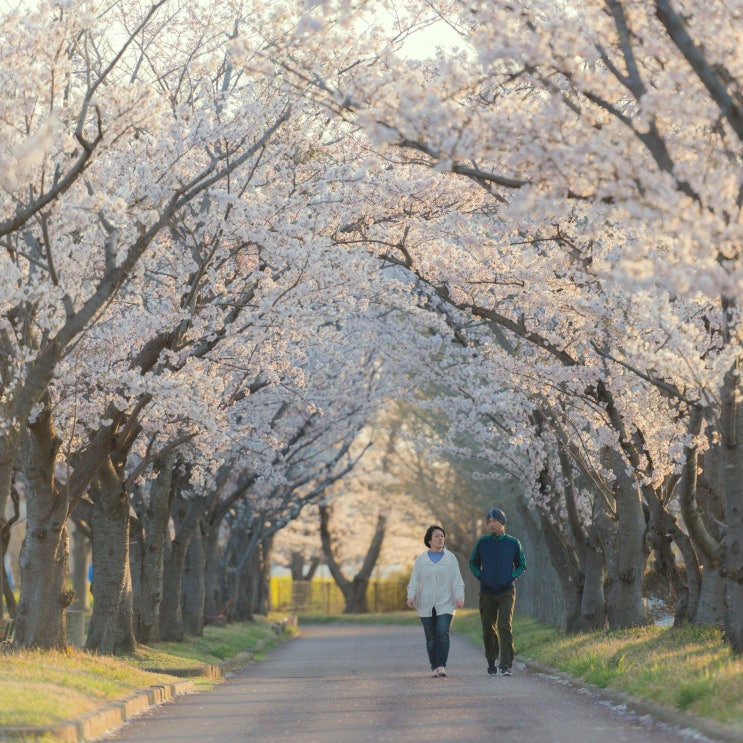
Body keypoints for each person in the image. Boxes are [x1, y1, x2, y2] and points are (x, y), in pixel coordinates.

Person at [469, 507, 526, 676]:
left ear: (502, 522)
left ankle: (506, 665)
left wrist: (511, 577)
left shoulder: (513, 543)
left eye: (494, 521)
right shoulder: (483, 543)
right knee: (488, 627)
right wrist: (481, 576)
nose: (491, 524)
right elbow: (473, 563)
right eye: (489, 521)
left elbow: (522, 565)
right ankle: (491, 659)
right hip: (486, 591)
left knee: (504, 626)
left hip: (506, 590)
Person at [406, 524, 465, 678]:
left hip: (446, 603)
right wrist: (410, 596)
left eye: (442, 536)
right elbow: (414, 580)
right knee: (431, 638)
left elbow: (458, 579)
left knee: (442, 632)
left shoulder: (450, 558)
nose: (441, 538)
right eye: (437, 536)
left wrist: (459, 596)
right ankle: (434, 666)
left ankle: (441, 666)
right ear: (429, 540)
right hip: (425, 603)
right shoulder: (421, 560)